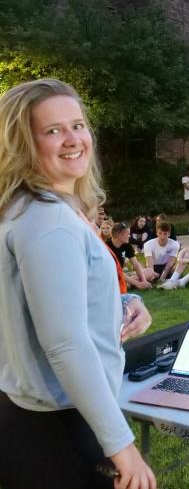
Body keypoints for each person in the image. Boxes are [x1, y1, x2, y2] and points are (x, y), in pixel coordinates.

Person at [0, 79, 155, 487]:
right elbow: (65, 343)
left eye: (78, 125)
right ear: (23, 143)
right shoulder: (48, 221)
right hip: (58, 427)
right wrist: (123, 447)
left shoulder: (33, 209)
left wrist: (124, 303)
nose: (73, 139)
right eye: (52, 130)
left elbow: (49, 305)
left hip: (35, 419)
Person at [107, 222, 153, 290]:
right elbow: (115, 271)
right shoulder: (107, 247)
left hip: (122, 275)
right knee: (124, 285)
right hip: (111, 277)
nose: (129, 236)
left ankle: (130, 282)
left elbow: (135, 264)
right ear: (119, 235)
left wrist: (144, 281)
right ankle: (129, 283)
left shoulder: (127, 245)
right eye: (127, 234)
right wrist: (137, 283)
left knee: (150, 271)